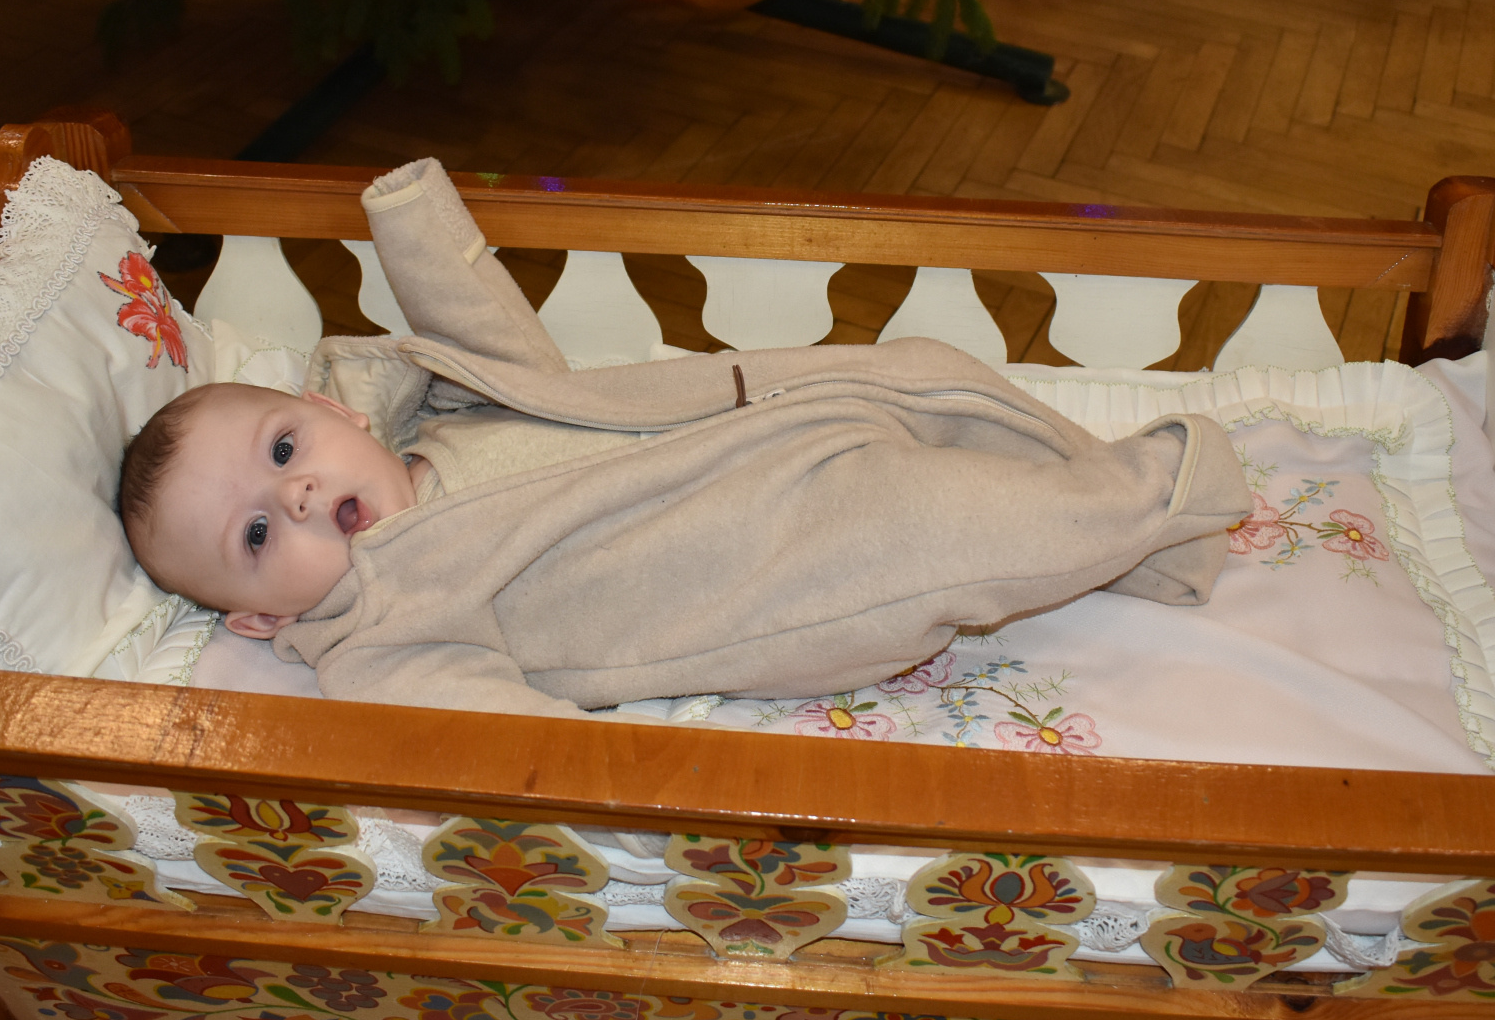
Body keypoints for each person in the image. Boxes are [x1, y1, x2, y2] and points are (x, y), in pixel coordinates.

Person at [119, 159, 1251, 720]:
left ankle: (1148, 548)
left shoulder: (449, 407)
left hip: (778, 424)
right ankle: (1170, 489)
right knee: (955, 524)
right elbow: (492, 741)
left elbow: (488, 332)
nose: (297, 498)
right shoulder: (385, 635)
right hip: (789, 570)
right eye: (257, 536)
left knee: (939, 375)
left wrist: (413, 216)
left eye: (284, 453)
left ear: (339, 414)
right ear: (260, 619)